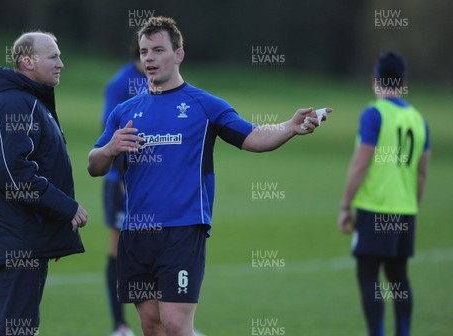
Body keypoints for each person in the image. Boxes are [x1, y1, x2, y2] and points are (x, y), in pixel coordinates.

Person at [88, 16, 331, 336]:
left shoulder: (204, 105)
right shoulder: (126, 111)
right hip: (137, 232)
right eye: (145, 52)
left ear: (179, 55)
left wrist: (289, 127)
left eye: (159, 50)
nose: (149, 58)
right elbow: (94, 165)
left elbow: (254, 137)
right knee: (152, 325)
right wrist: (109, 150)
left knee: (175, 323)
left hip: (183, 229)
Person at [0, 31, 88, 336]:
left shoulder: (30, 100)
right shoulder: (12, 102)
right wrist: (65, 206)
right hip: (15, 245)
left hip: (27, 242)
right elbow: (13, 173)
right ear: (27, 61)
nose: (60, 63)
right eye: (53, 56)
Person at [338, 52, 430, 336]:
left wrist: (345, 205)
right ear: (403, 83)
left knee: (369, 278)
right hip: (405, 210)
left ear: (374, 80)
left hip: (374, 207)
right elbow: (422, 172)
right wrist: (412, 208)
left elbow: (361, 161)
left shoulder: (374, 113)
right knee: (399, 279)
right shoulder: (418, 119)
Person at [101, 42, 147, 336]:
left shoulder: (163, 81)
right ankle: (119, 324)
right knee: (118, 248)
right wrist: (120, 180)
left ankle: (172, 321)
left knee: (155, 249)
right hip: (121, 183)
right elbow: (111, 134)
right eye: (148, 53)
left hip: (150, 183)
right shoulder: (120, 84)